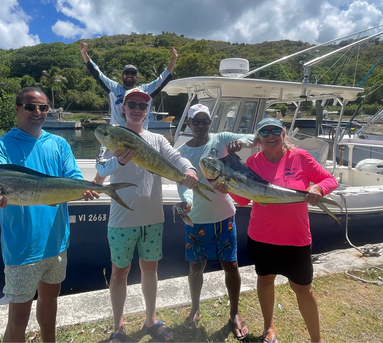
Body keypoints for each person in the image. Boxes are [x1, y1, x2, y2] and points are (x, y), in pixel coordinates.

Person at [0, 86, 99, 343]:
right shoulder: (0, 147)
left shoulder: (59, 144)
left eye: (43, 107)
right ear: (18, 108)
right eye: (31, 106)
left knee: (50, 304)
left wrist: (83, 189)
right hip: (22, 248)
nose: (38, 112)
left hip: (56, 243)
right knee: (18, 318)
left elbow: (73, 177)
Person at [96, 88, 199, 343]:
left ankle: (151, 318)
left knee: (150, 270)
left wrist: (190, 169)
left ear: (147, 109)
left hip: (153, 218)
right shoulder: (112, 136)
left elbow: (176, 157)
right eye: (132, 104)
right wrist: (117, 163)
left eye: (142, 105)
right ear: (124, 107)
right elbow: (100, 170)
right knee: (119, 273)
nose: (136, 109)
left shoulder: (157, 139)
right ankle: (118, 326)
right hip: (121, 219)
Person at [229, 118, 337, 343]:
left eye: (275, 131)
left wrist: (318, 187)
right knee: (265, 279)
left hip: (295, 238)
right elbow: (242, 199)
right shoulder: (252, 162)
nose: (271, 135)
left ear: (283, 134)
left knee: (303, 289)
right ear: (258, 138)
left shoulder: (300, 157)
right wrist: (227, 187)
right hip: (261, 236)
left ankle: (316, 340)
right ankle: (269, 328)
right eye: (265, 131)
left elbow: (329, 180)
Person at [174, 104, 256, 340]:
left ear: (211, 122)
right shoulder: (180, 153)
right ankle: (195, 308)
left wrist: (240, 143)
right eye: (196, 121)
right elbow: (183, 184)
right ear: (189, 123)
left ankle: (234, 312)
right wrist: (187, 201)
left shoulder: (221, 139)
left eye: (205, 121)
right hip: (196, 220)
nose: (200, 126)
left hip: (224, 216)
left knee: (230, 265)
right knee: (195, 267)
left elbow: (251, 138)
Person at [80, 42, 177, 184]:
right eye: (127, 73)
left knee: (141, 169)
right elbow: (97, 74)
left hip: (138, 139)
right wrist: (84, 54)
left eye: (133, 73)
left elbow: (163, 79)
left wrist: (174, 59)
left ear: (137, 77)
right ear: (122, 76)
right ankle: (96, 187)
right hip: (113, 137)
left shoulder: (145, 90)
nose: (129, 75)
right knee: (102, 168)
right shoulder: (114, 88)